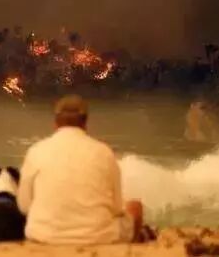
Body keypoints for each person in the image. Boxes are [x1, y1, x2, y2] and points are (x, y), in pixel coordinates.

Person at [16, 95, 143, 244]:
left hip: (43, 235)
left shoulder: (36, 151)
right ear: (85, 123)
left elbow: (24, 206)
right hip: (98, 237)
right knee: (135, 207)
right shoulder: (103, 152)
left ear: (56, 123)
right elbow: (116, 208)